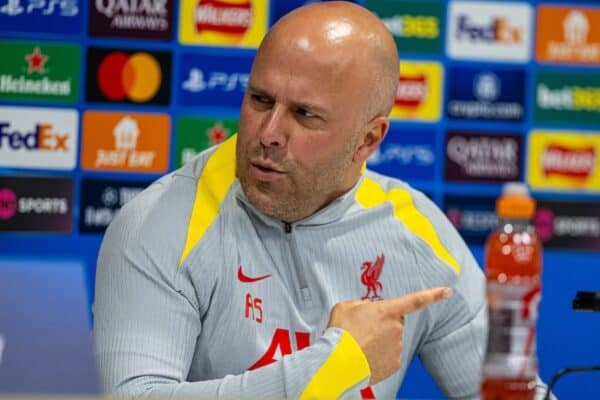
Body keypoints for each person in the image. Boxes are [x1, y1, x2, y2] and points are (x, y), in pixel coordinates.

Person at [93, 2, 487, 398]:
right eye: (260, 100)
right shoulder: (161, 223)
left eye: (304, 114)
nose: (269, 133)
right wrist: (335, 367)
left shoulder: (417, 232)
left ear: (369, 139)